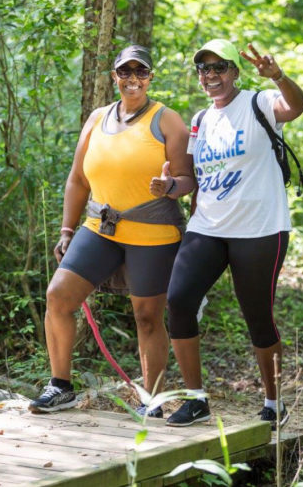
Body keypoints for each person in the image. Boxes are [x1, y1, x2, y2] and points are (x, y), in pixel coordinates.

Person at [29, 44, 195, 417]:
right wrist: (67, 229)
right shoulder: (97, 118)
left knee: (148, 316)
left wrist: (169, 187)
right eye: (125, 72)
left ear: (151, 77)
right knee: (58, 297)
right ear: (114, 77)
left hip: (153, 230)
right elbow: (76, 179)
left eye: (140, 72)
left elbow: (188, 180)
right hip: (100, 226)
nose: (132, 79)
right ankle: (60, 387)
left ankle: (151, 399)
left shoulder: (168, 120)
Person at [165, 39, 303, 428]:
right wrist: (169, 187)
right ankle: (195, 399)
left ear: (235, 72)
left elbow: (297, 106)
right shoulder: (200, 120)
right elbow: (193, 181)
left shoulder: (258, 102)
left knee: (258, 316)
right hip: (208, 227)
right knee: (178, 301)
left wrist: (277, 76)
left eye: (219, 68)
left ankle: (273, 400)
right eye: (204, 70)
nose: (211, 76)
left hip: (260, 229)